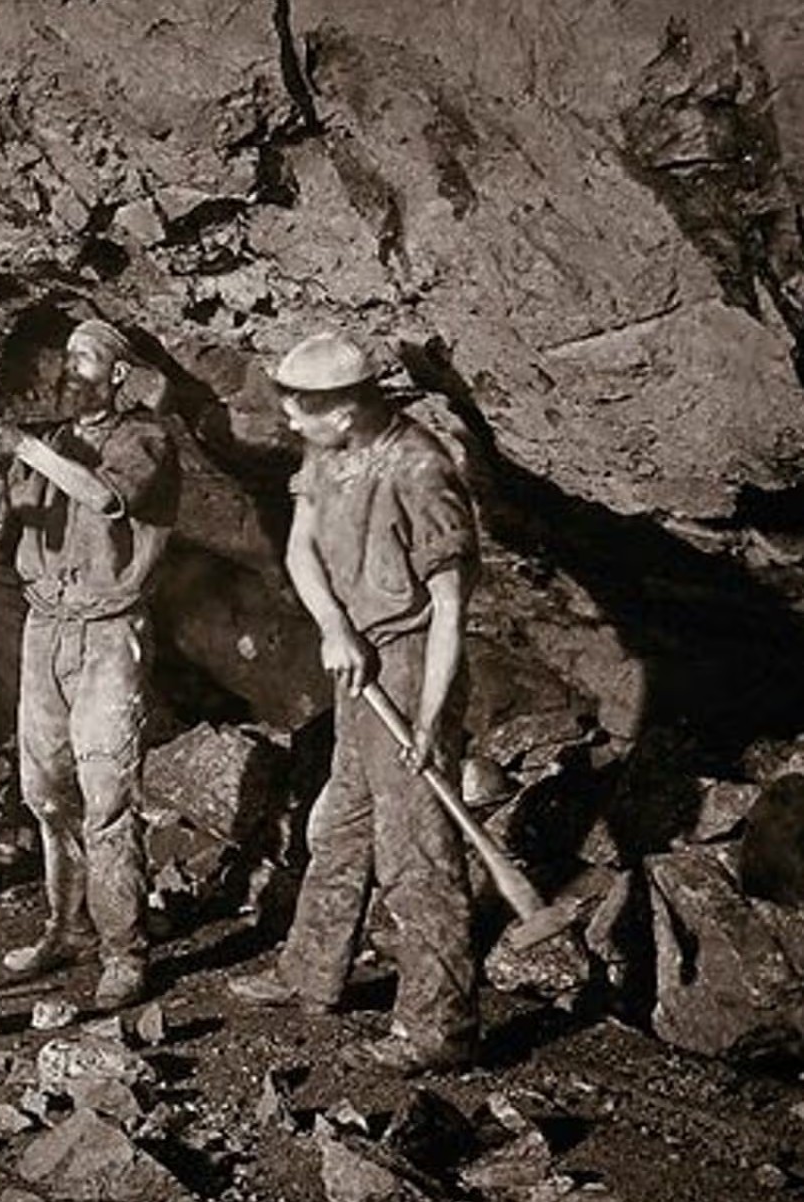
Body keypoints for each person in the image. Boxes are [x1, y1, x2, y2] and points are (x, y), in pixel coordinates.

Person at [227, 331, 480, 1073]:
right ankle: (310, 973)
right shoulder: (327, 455)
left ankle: (441, 1026)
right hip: (357, 659)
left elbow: (452, 609)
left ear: (343, 410)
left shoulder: (422, 470)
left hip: (409, 665)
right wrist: (335, 628)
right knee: (341, 824)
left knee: (417, 849)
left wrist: (432, 721)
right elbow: (301, 548)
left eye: (300, 410)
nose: (290, 422)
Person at [0, 318, 181, 1010]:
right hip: (45, 631)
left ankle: (124, 951)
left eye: (86, 359)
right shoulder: (56, 441)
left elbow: (107, 498)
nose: (70, 370)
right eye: (67, 359)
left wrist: (22, 443)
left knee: (108, 796)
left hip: (108, 635)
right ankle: (66, 926)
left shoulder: (145, 439)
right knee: (47, 795)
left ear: (118, 374)